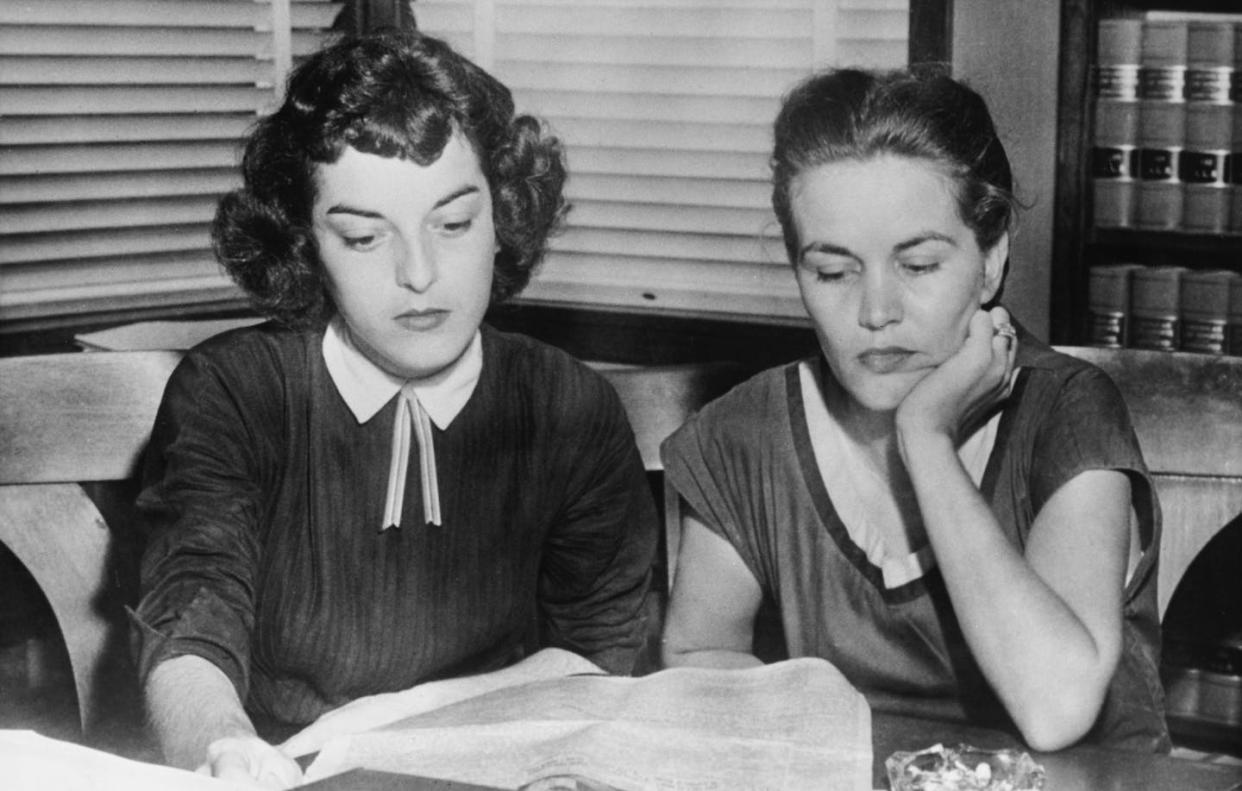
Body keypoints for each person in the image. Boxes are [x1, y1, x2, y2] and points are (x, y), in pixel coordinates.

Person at [131, 29, 658, 787]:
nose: (420, 273)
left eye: (452, 224)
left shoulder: (571, 408)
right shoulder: (235, 393)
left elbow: (596, 655)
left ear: (504, 215)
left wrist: (402, 723)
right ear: (304, 244)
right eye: (363, 236)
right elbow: (191, 619)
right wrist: (222, 746)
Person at [659, 67, 1168, 754]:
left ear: (990, 259)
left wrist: (924, 437)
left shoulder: (1069, 410)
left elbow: (1056, 705)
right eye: (833, 272)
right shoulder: (742, 433)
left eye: (919, 265)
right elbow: (696, 657)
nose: (875, 312)